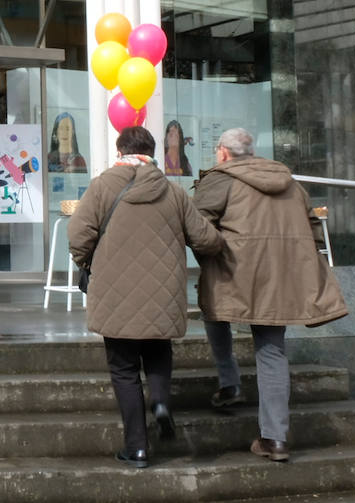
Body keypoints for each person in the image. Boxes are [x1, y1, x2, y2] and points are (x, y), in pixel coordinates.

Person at [68, 126, 226, 469]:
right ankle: (160, 402)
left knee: (123, 368)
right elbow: (205, 239)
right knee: (157, 350)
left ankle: (137, 448)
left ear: (120, 150)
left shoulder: (102, 186)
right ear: (152, 150)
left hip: (115, 292)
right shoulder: (173, 190)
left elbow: (78, 234)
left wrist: (87, 262)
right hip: (163, 293)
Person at [194, 127, 348, 463]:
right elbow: (312, 228)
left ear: (222, 152)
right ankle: (275, 439)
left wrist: (213, 251)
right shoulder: (290, 183)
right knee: (272, 351)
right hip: (281, 278)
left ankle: (229, 383)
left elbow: (197, 226)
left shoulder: (220, 179)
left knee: (213, 313)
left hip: (231, 272)